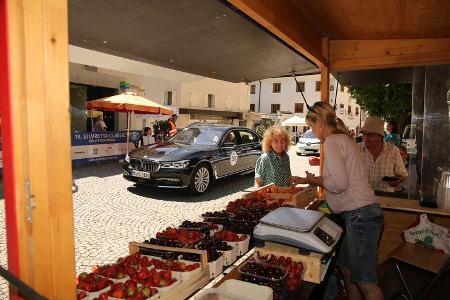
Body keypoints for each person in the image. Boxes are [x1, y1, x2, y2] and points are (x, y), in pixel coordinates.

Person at [290, 102, 384, 300]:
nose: (312, 131)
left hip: (360, 214)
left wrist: (321, 182)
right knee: (348, 271)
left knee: (366, 280)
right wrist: (310, 179)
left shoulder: (332, 141)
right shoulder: (344, 139)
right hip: (359, 214)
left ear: (321, 121)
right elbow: (341, 179)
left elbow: (339, 184)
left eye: (312, 126)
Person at [359, 116, 408, 193]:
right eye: (364, 134)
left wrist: (396, 181)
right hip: (361, 197)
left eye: (370, 135)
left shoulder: (393, 151)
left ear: (380, 136)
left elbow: (403, 174)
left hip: (385, 198)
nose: (366, 138)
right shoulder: (357, 149)